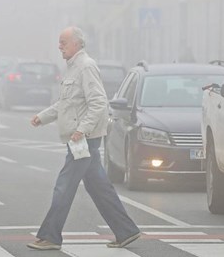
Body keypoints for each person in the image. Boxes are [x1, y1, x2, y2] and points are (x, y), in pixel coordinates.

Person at [27, 26, 141, 251]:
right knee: (98, 186)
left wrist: (82, 130)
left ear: (77, 44)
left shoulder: (86, 67)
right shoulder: (73, 67)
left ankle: (50, 236)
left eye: (63, 42)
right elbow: (66, 103)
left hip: (83, 139)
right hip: (81, 137)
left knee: (65, 185)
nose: (59, 46)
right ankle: (126, 231)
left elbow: (99, 103)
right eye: (59, 42)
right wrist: (43, 117)